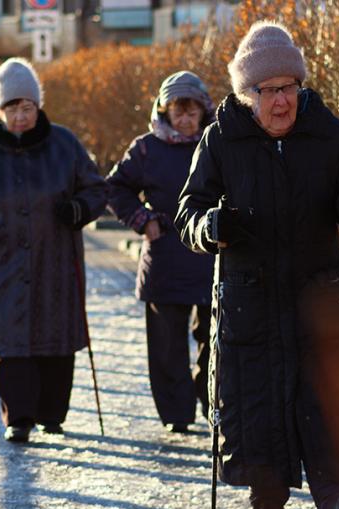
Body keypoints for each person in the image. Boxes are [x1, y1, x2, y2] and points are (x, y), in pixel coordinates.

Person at [175, 21, 339, 509]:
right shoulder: (221, 139)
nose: (282, 100)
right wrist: (210, 226)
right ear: (248, 93)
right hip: (252, 308)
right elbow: (188, 212)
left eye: (289, 87)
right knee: (260, 423)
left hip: (319, 305)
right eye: (269, 90)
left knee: (329, 416)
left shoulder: (328, 133)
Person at [0, 58, 108, 443]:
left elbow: (96, 189)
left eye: (27, 107)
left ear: (38, 106)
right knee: (9, 338)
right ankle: (18, 418)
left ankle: (52, 413)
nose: (20, 116)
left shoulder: (64, 143)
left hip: (56, 258)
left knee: (56, 334)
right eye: (12, 108)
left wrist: (78, 210)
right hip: (1, 262)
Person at [106, 71, 215, 434]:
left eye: (191, 112)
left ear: (203, 110)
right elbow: (115, 188)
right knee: (167, 344)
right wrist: (143, 219)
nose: (184, 120)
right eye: (177, 112)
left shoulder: (217, 143)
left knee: (215, 338)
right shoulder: (146, 148)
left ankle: (213, 402)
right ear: (164, 111)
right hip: (166, 254)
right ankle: (176, 413)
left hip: (211, 253)